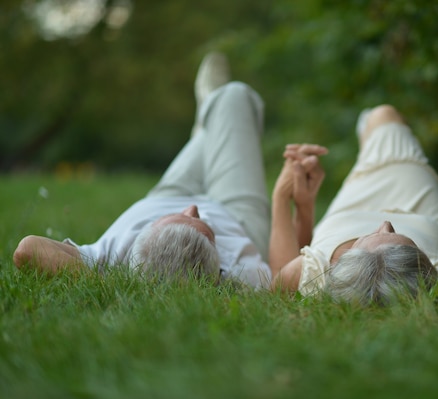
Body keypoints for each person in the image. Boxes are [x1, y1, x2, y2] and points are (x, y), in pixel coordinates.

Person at [13, 53, 272, 288]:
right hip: (237, 216)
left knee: (220, 122)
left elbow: (28, 249)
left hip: (167, 195)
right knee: (234, 97)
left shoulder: (110, 262)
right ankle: (210, 114)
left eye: (182, 217)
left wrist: (115, 284)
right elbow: (285, 276)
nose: (193, 209)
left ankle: (207, 120)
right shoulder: (244, 276)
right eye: (204, 229)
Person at [269, 104, 438, 305]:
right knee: (384, 115)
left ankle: (366, 141)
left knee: (378, 117)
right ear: (427, 273)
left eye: (371, 237)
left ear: (341, 265)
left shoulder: (315, 275)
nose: (386, 223)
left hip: (352, 207)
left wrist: (289, 199)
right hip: (416, 206)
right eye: (407, 243)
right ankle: (368, 131)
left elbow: (278, 280)